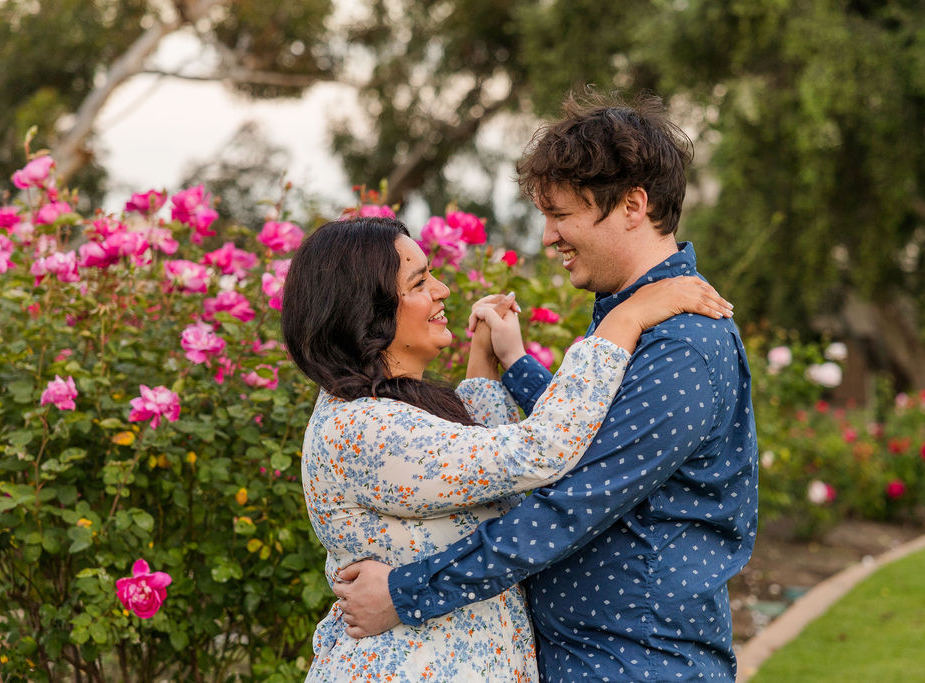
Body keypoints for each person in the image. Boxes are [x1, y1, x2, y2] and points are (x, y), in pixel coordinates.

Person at [334, 91, 759, 681]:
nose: (549, 237)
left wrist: (405, 593)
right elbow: (594, 433)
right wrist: (516, 363)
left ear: (633, 205)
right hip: (594, 655)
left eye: (561, 215)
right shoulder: (636, 317)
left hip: (633, 661)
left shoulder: (682, 345)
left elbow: (573, 504)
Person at [280, 215, 734, 682]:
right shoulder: (362, 428)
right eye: (419, 282)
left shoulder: (385, 411)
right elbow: (538, 452)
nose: (442, 291)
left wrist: (490, 357)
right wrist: (626, 319)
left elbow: (490, 475)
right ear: (366, 312)